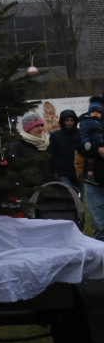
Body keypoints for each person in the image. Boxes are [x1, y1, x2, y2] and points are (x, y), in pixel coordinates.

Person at [78, 97, 104, 240]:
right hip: (93, 180)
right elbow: (80, 146)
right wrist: (98, 149)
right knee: (99, 223)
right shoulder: (86, 124)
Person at [9, 111, 55, 186]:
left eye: (41, 125)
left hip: (51, 187)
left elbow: (54, 165)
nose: (40, 128)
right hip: (31, 189)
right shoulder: (18, 145)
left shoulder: (47, 142)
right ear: (28, 129)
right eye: (36, 126)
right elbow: (15, 169)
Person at [48, 109, 80, 189]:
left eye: (71, 120)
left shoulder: (81, 134)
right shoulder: (55, 136)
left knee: (81, 195)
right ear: (62, 121)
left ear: (75, 121)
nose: (69, 123)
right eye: (67, 120)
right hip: (63, 173)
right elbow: (51, 155)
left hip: (80, 172)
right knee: (68, 193)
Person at [78, 98, 104, 187]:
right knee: (92, 162)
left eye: (98, 112)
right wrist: (95, 149)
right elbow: (81, 139)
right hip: (93, 147)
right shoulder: (86, 122)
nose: (96, 114)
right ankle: (90, 175)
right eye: (93, 112)